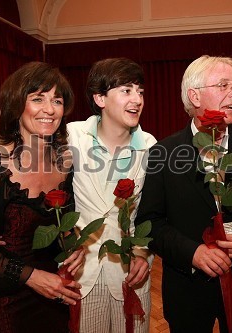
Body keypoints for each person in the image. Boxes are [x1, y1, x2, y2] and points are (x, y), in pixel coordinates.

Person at [135, 55, 232, 332]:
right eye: (224, 85)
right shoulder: (163, 153)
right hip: (187, 291)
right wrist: (192, 253)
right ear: (194, 96)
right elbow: (150, 224)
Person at [0, 62, 84, 332]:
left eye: (57, 100)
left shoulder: (65, 161)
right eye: (37, 99)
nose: (49, 109)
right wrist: (30, 276)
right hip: (3, 297)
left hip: (52, 291)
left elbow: (61, 222)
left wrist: (74, 244)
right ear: (16, 105)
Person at [66, 57, 156, 332]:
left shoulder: (150, 146)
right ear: (100, 98)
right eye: (126, 90)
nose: (137, 99)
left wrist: (142, 251)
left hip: (131, 270)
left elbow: (152, 210)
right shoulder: (72, 136)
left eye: (140, 91)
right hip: (82, 271)